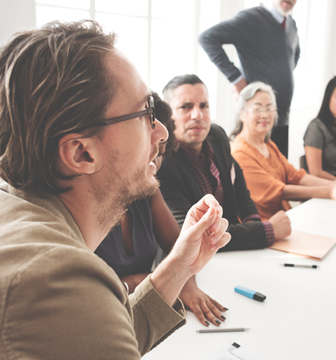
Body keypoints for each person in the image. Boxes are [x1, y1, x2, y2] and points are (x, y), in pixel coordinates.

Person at [0, 21, 230, 359]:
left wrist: (180, 266)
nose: (163, 132)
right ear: (82, 153)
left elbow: (93, 339)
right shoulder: (56, 277)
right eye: (146, 113)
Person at [96, 93, 227, 327]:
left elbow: (179, 247)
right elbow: (92, 292)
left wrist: (185, 283)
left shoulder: (147, 188)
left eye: (162, 154)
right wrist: (155, 279)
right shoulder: (91, 200)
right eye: (151, 149)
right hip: (106, 320)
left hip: (144, 313)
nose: (155, 163)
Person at [157, 74, 291, 251]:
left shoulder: (216, 135)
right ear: (169, 116)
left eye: (204, 106)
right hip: (195, 264)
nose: (197, 115)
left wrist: (254, 224)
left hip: (233, 251)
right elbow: (192, 235)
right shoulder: (162, 163)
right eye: (186, 107)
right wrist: (266, 230)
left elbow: (240, 191)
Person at [231, 81, 336, 220]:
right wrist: (329, 191)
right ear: (242, 114)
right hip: (264, 228)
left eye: (269, 108)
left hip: (286, 218)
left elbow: (296, 176)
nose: (265, 114)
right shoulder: (239, 153)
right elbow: (279, 191)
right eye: (258, 109)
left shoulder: (269, 145)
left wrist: (335, 184)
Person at [199, 0, 299, 158]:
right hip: (256, 118)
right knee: (254, 176)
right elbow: (208, 38)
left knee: (281, 175)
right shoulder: (252, 19)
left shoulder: (291, 25)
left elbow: (294, 54)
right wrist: (237, 80)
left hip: (281, 118)